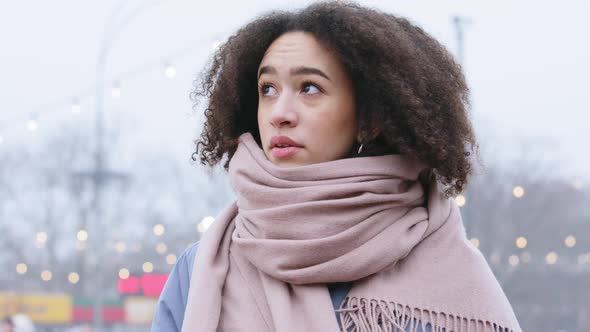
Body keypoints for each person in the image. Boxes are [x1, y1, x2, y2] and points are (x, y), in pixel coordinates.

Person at [152, 1, 521, 331]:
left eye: (309, 88)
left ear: (369, 118)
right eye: (268, 89)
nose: (280, 114)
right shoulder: (202, 268)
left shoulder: (445, 267)